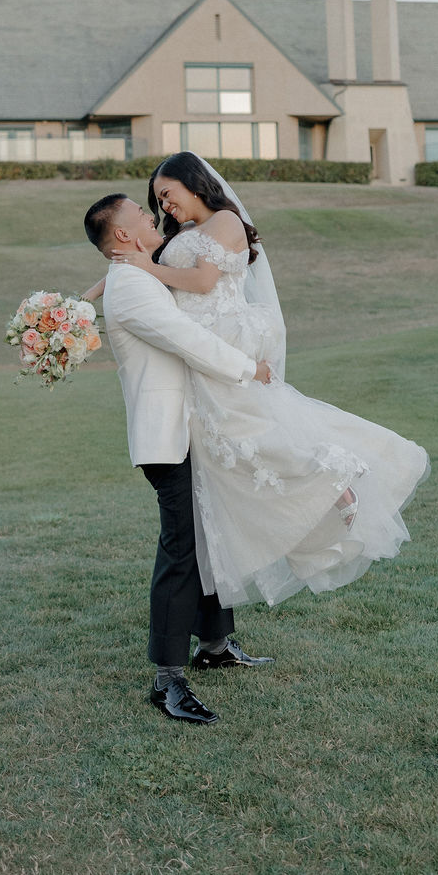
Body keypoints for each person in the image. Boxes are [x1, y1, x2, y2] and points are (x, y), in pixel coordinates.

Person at [106, 152, 429, 611]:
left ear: (193, 184)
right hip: (202, 354)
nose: (163, 207)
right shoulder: (183, 235)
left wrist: (145, 268)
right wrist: (103, 285)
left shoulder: (225, 222)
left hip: (224, 343)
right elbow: (144, 269)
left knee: (249, 432)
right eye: (156, 200)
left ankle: (336, 473)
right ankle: (312, 488)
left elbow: (200, 281)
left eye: (167, 195)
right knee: (234, 450)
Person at [83, 193, 275, 726]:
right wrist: (247, 369)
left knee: (208, 534)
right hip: (166, 437)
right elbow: (186, 339)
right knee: (182, 547)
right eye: (142, 216)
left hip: (192, 425)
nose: (153, 217)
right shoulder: (131, 286)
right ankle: (167, 679)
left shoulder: (140, 272)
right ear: (123, 236)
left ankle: (214, 644)